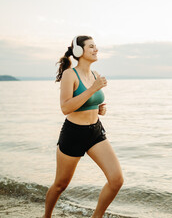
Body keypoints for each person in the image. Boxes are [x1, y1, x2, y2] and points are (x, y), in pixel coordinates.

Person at [43, 35, 124, 218]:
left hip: (95, 131)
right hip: (74, 134)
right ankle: (46, 216)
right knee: (60, 185)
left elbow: (89, 102)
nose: (96, 50)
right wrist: (93, 89)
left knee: (116, 179)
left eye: (96, 46)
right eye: (91, 47)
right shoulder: (70, 74)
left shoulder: (95, 74)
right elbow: (65, 107)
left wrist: (99, 108)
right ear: (79, 51)